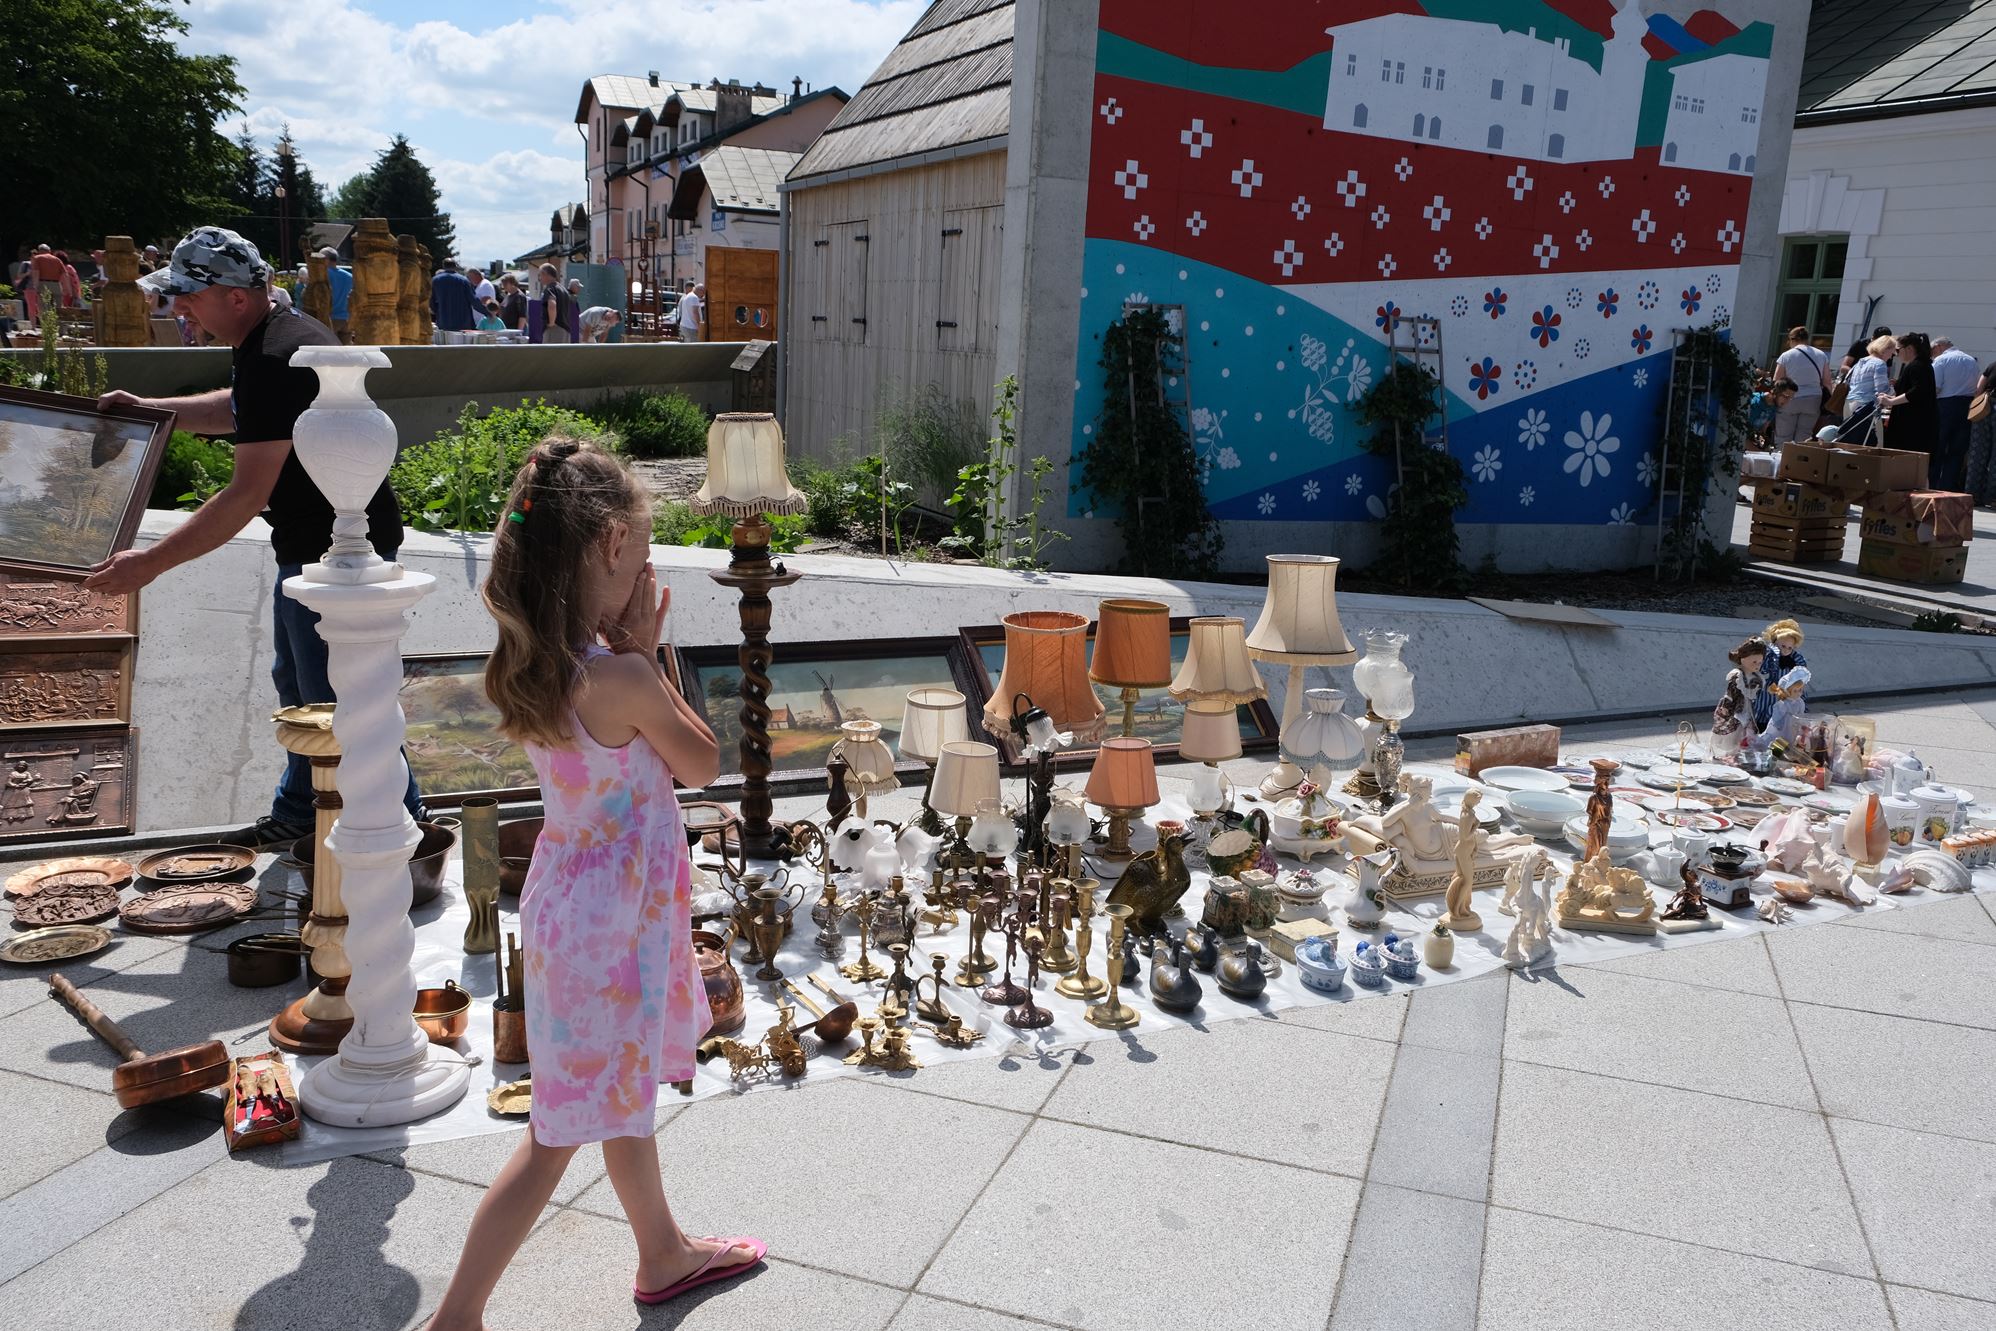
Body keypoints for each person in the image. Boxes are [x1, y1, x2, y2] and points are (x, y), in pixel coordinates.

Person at [420, 439, 760, 1331]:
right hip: (613, 929)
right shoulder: (621, 673)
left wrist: (633, 654)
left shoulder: (544, 661)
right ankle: (456, 1318)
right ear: (610, 544)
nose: (646, 577)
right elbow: (702, 762)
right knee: (552, 1137)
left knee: (618, 1092)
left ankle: (663, 1251)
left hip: (572, 909)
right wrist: (651, 652)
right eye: (642, 558)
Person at [83, 226, 420, 848]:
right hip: (321, 544)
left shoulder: (273, 356)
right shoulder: (276, 336)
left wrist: (149, 563)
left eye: (189, 295)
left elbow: (245, 494)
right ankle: (304, 812)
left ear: (236, 296)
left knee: (338, 704)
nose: (179, 307)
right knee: (305, 689)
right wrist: (152, 412)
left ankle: (398, 829)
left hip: (334, 554)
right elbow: (240, 409)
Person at [1931, 336, 1979, 492]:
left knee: (1938, 446)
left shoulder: (1941, 360)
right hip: (1967, 406)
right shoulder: (1971, 360)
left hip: (1945, 405)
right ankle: (1948, 486)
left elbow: (1936, 388)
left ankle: (1932, 485)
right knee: (1957, 450)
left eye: (1932, 350)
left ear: (1938, 346)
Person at [1881, 333, 1938, 460]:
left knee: (1908, 459)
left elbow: (1917, 392)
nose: (1896, 354)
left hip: (1912, 425)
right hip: (1916, 422)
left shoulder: (1917, 366)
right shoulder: (1921, 365)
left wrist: (1891, 402)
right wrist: (1891, 398)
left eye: (1898, 350)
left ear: (1909, 349)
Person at [1771, 325, 1830, 446]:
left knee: (1783, 436)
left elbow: (1777, 380)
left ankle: (1781, 456)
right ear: (1807, 339)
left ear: (1792, 339)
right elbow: (1827, 382)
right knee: (1804, 436)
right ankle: (1799, 457)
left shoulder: (1786, 355)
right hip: (1813, 400)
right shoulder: (1821, 355)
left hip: (1789, 398)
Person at [1967, 360, 1996, 506]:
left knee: (1977, 453)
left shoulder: (1993, 365)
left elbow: (1978, 389)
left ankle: (1972, 495)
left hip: (1984, 408)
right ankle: (1992, 497)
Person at [431, 258, 476, 334]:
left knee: (444, 341)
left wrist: (438, 312)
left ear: (443, 266)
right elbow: (473, 300)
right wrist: (487, 313)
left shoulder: (435, 280)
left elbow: (431, 301)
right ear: (455, 266)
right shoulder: (464, 281)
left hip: (443, 321)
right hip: (462, 323)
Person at [319, 247, 353, 341]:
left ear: (326, 259)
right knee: (346, 347)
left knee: (329, 346)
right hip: (347, 318)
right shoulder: (349, 276)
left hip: (331, 318)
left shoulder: (323, 275)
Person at [538, 263, 574, 344]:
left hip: (554, 330)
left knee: (549, 352)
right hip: (565, 330)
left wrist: (551, 323)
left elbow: (552, 304)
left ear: (545, 274)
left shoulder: (550, 289)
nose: (540, 278)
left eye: (540, 275)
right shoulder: (563, 290)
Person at [28, 245, 63, 315]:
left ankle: (46, 321)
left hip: (43, 284)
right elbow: (65, 274)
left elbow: (36, 272)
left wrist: (35, 286)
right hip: (56, 285)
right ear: (49, 251)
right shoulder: (57, 259)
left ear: (40, 251)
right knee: (58, 307)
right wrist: (66, 288)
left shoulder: (37, 258)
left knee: (44, 307)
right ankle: (58, 321)